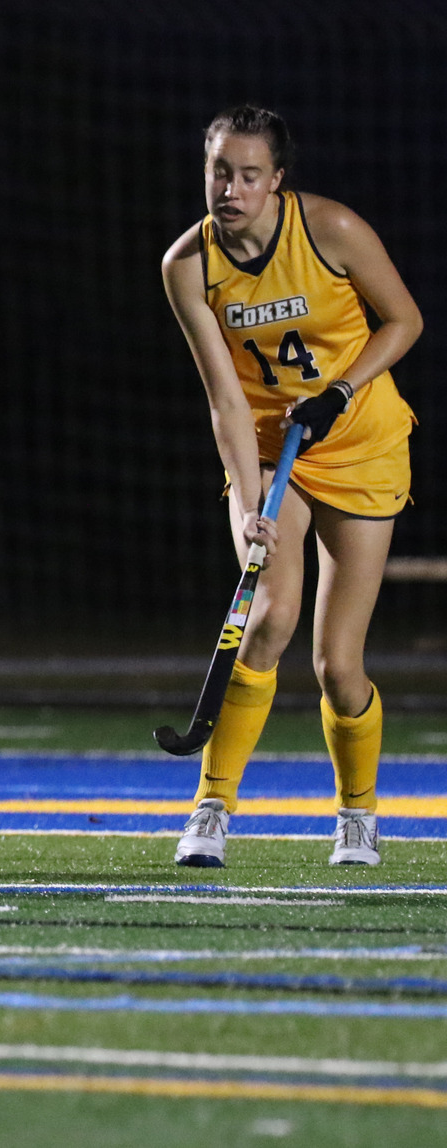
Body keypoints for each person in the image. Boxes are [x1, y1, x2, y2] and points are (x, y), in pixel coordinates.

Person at [160, 106, 423, 868]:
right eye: (220, 172)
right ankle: (211, 808)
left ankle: (358, 816)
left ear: (277, 180)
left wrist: (344, 389)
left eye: (249, 175)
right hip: (275, 454)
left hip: (363, 443)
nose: (231, 189)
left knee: (337, 664)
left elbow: (404, 319)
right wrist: (247, 502)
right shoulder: (189, 266)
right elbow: (226, 401)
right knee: (268, 620)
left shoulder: (332, 231)